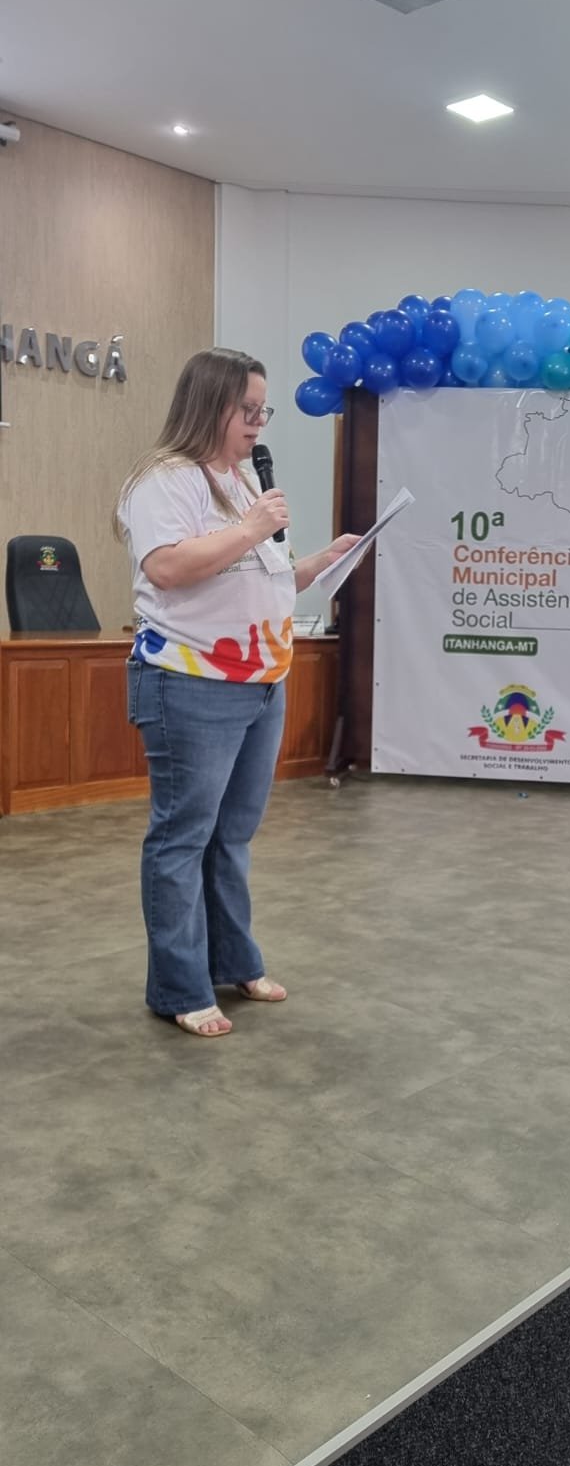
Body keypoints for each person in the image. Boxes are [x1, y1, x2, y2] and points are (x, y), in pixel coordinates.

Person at [114, 348, 357, 1038]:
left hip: (261, 680)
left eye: (262, 410)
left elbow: (261, 576)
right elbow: (167, 567)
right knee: (183, 837)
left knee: (232, 836)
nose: (257, 423)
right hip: (190, 680)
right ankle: (179, 987)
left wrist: (321, 562)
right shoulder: (165, 479)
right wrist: (251, 528)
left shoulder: (244, 479)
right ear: (209, 406)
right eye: (246, 410)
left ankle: (233, 962)